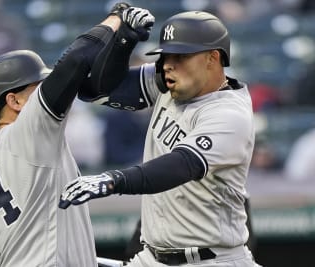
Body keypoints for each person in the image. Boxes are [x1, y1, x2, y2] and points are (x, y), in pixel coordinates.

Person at [60, 11, 261, 267]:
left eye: (181, 56)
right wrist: (123, 42)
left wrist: (114, 180)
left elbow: (181, 165)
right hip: (151, 256)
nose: (168, 64)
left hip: (211, 260)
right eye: (166, 55)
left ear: (213, 57)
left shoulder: (230, 113)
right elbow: (93, 90)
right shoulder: (169, 84)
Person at [0, 3, 154, 267]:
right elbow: (75, 61)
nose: (48, 87)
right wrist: (116, 20)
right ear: (14, 101)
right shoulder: (24, 136)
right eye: (38, 85)